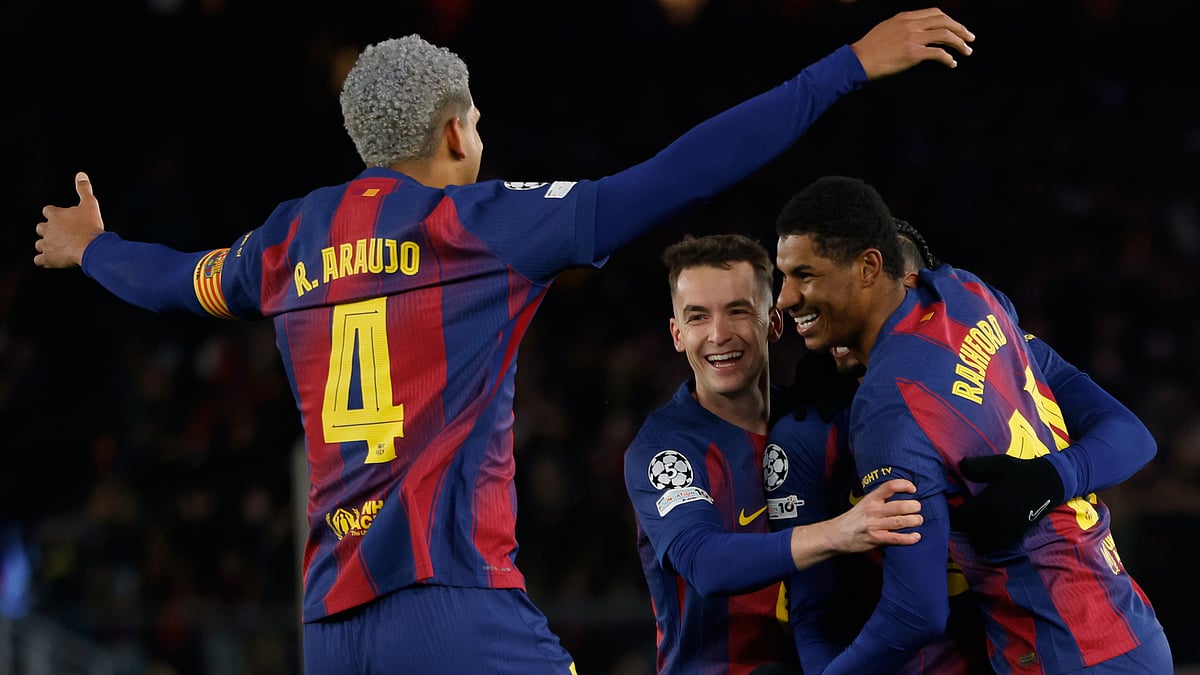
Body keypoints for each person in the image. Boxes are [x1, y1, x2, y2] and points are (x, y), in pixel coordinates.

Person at [33, 13, 974, 673]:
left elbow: (168, 281)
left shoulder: (286, 240)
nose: (481, 136)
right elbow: (684, 171)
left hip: (328, 620)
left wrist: (92, 248)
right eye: (477, 120)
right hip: (454, 602)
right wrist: (844, 66)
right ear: (453, 130)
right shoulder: (480, 223)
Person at [770, 175, 1171, 674]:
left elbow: (915, 612)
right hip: (1128, 626)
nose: (784, 300)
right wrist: (1056, 477)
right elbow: (1131, 433)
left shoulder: (888, 409)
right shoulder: (971, 295)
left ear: (874, 268)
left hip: (1056, 651)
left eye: (804, 275)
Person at [623, 234, 923, 675]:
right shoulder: (666, 449)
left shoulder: (819, 420)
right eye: (698, 317)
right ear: (678, 334)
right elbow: (706, 564)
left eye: (738, 311)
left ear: (774, 323)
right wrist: (841, 532)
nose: (719, 334)